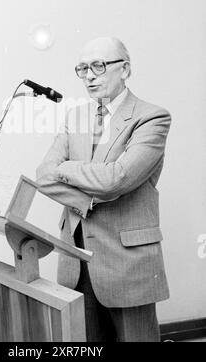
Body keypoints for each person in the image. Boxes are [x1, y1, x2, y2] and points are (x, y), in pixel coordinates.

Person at [36, 37, 171, 342]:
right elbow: (43, 175)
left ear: (124, 69)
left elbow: (117, 179)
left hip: (126, 261)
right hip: (76, 257)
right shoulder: (76, 116)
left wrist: (67, 169)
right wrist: (88, 197)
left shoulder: (151, 117)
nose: (89, 76)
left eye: (98, 66)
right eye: (82, 69)